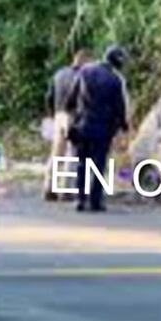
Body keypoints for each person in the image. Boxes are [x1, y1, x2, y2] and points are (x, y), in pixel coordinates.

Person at [66, 45, 131, 212]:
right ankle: (95, 201)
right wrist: (124, 126)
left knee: (82, 163)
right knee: (98, 165)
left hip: (83, 126)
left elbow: (71, 99)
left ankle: (80, 199)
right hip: (102, 129)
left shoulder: (84, 72)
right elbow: (119, 107)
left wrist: (73, 116)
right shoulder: (115, 80)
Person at [43, 49, 92, 200]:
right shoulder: (83, 76)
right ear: (84, 60)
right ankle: (65, 189)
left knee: (56, 153)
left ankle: (49, 187)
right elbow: (83, 98)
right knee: (72, 153)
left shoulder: (59, 74)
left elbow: (49, 96)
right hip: (74, 116)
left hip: (59, 115)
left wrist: (53, 113)